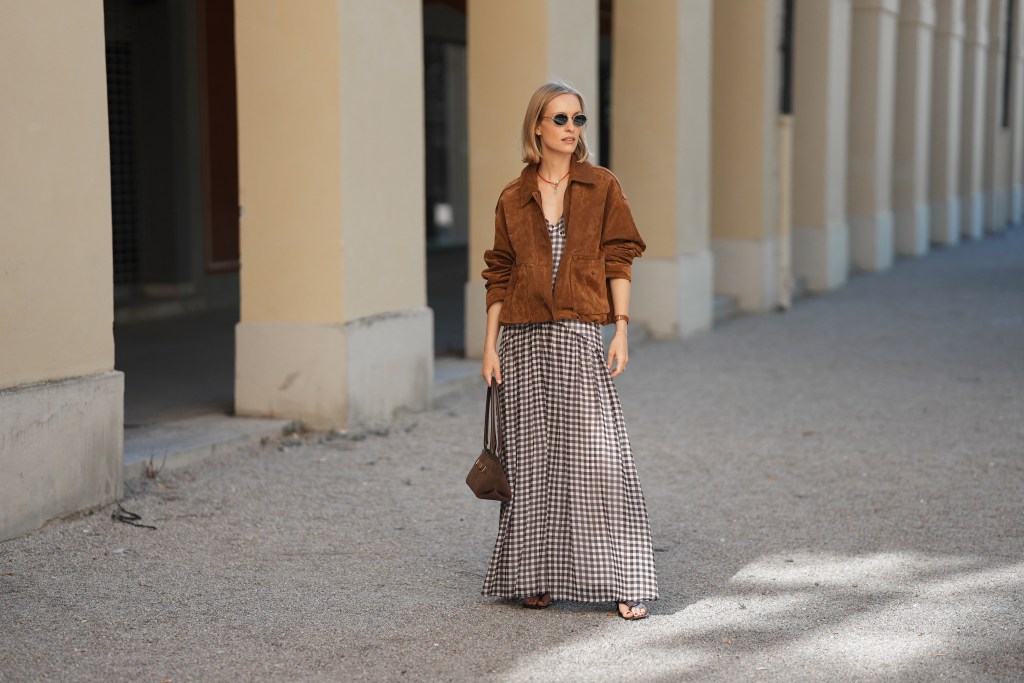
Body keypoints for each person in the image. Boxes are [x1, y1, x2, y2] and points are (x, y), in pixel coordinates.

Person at [479, 82, 658, 620]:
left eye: (578, 119)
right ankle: (536, 576)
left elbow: (619, 257)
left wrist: (620, 328)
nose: (571, 128)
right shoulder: (513, 196)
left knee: (599, 457)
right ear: (537, 125)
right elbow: (499, 274)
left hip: (578, 334)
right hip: (521, 340)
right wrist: (489, 347)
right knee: (532, 462)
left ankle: (625, 577)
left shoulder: (601, 186)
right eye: (560, 119)